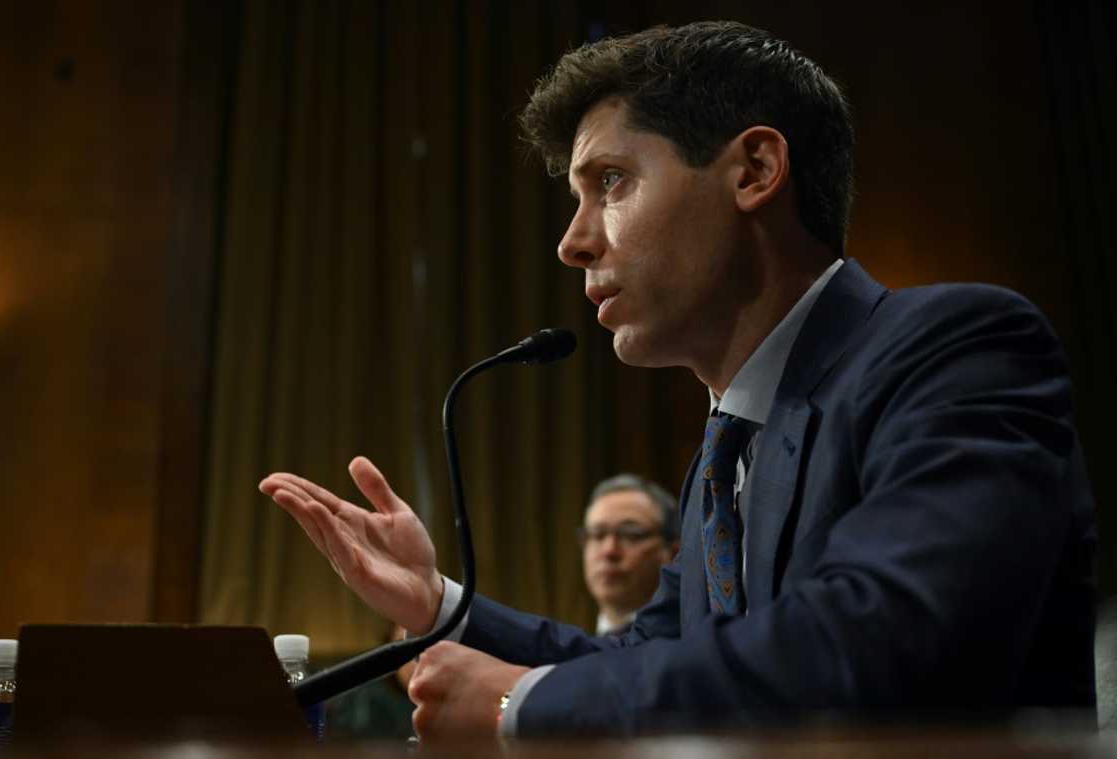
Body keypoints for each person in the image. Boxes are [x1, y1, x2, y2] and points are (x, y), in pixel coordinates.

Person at [259, 21, 1096, 738]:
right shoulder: (723, 449)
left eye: (610, 183)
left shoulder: (956, 348)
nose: (573, 243)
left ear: (754, 170)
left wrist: (521, 703)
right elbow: (646, 660)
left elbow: (878, 642)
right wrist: (439, 603)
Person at [580, 474, 679, 635]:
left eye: (631, 534)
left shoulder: (692, 646)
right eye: (598, 534)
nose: (609, 551)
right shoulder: (571, 651)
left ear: (673, 552)